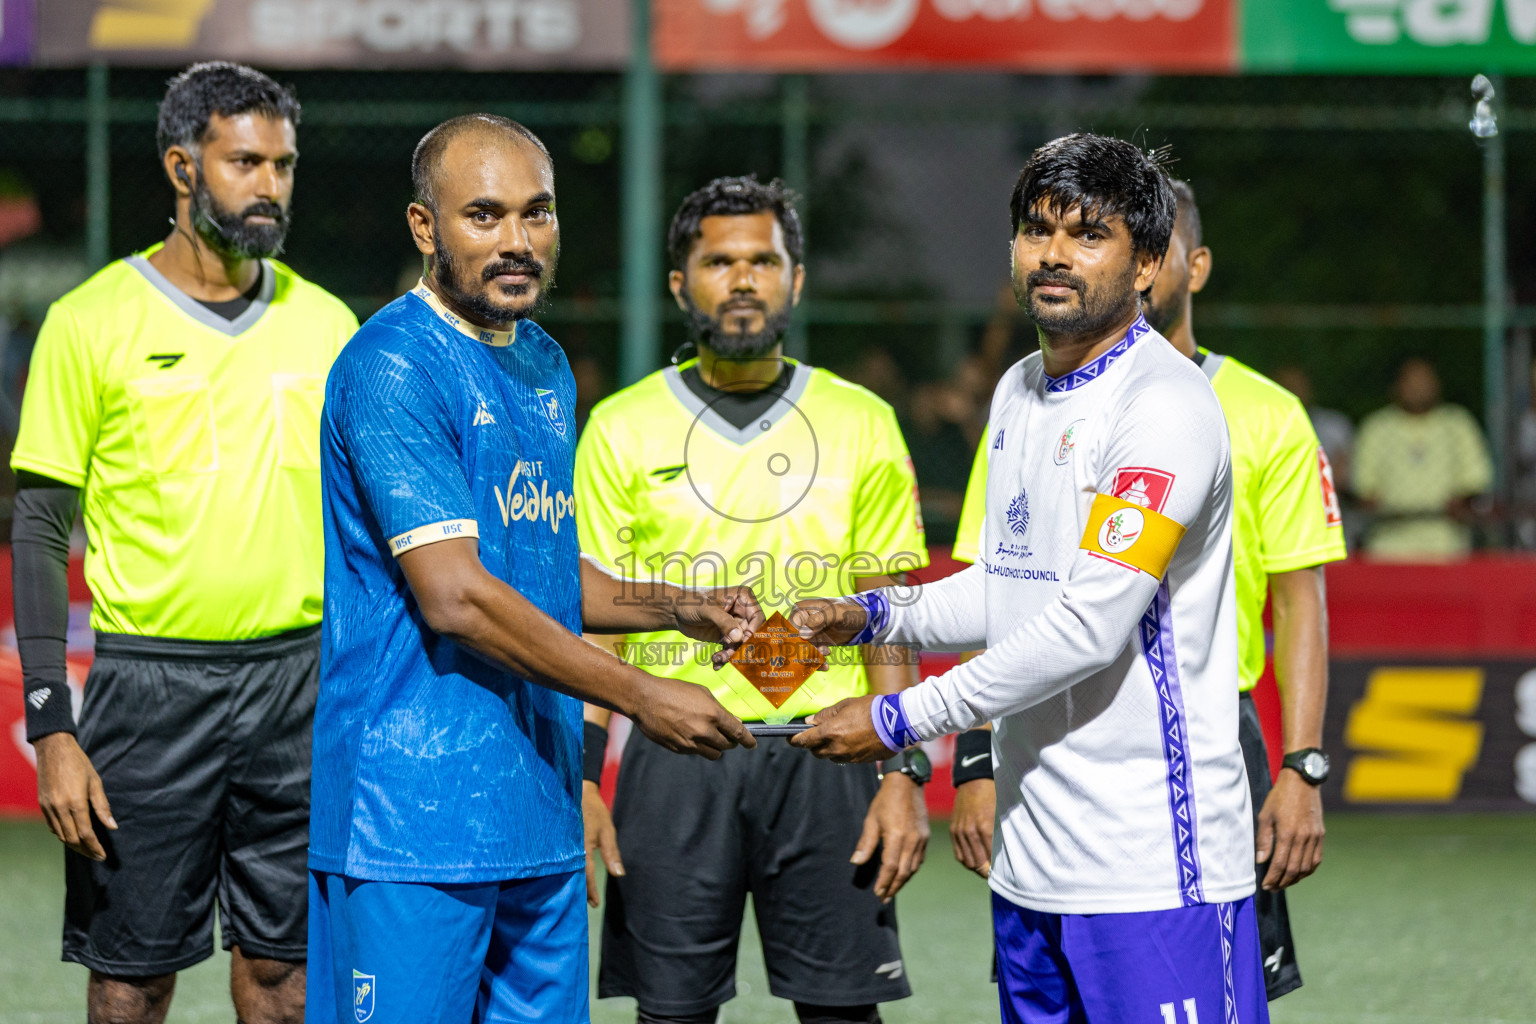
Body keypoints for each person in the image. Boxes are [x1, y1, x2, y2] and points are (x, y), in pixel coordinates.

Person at [788, 134, 1267, 1024]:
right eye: (1036, 230)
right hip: (1031, 863)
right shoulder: (1016, 390)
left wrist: (901, 715)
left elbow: (1089, 624)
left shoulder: (1164, 407)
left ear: (1151, 263)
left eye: (1089, 235)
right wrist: (866, 614)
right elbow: (1008, 590)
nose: (1053, 254)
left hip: (1152, 866)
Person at [305, 116, 760, 1024]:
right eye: (483, 215)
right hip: (410, 823)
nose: (517, 241)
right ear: (425, 228)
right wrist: (641, 694)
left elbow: (541, 570)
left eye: (536, 214)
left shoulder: (545, 363)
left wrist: (679, 607)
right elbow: (457, 596)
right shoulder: (390, 366)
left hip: (539, 812)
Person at [8, 63, 357, 1024]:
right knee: (132, 976)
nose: (270, 184)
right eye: (245, 160)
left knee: (285, 974)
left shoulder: (330, 324)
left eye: (283, 163)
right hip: (147, 689)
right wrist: (51, 726)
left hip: (300, 685)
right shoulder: (89, 323)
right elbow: (39, 528)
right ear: (180, 165)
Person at [577, 176, 930, 1024]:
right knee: (671, 1013)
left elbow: (887, 612)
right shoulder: (621, 427)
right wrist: (583, 778)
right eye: (719, 261)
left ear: (795, 280)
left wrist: (901, 768)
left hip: (829, 756)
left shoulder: (862, 421)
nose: (742, 280)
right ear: (679, 284)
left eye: (763, 261)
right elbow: (595, 624)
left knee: (844, 1013)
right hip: (673, 757)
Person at [1354, 356, 1492, 560]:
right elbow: (1364, 489)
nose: (1419, 387)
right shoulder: (1376, 428)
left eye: (1425, 380)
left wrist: (1460, 503)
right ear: (1396, 386)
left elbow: (1475, 481)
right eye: (1411, 381)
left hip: (1447, 546)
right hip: (1388, 547)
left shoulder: (1457, 424)